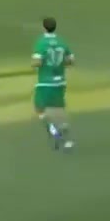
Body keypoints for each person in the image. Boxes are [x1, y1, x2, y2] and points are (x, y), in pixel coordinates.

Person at [32, 16, 75, 150]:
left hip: (45, 82)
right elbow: (71, 61)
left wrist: (36, 65)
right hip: (60, 82)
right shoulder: (62, 42)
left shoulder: (41, 43)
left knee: (39, 108)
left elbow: (37, 62)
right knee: (59, 107)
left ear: (43, 27)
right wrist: (60, 65)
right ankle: (64, 130)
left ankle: (53, 130)